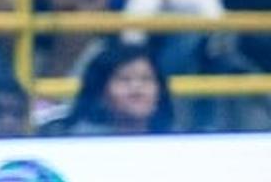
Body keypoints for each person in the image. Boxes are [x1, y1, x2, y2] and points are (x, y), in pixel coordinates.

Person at [44, 42, 176, 134]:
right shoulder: (78, 143)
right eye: (124, 80)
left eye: (146, 79)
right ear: (101, 93)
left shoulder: (176, 143)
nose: (137, 88)